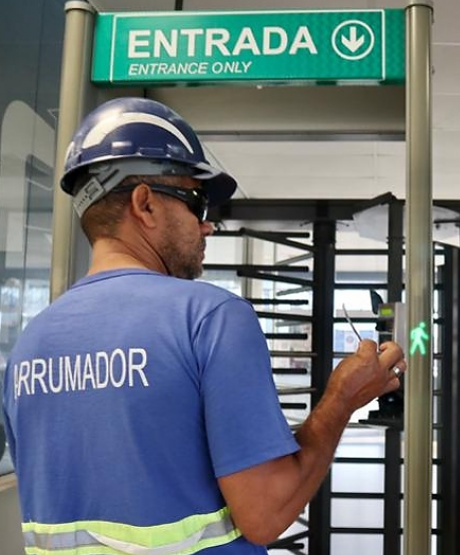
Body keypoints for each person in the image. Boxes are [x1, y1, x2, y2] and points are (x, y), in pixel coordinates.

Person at [1, 97, 406, 554]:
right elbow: (265, 513)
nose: (207, 226)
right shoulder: (209, 319)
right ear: (145, 204)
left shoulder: (28, 348)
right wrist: (341, 400)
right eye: (196, 202)